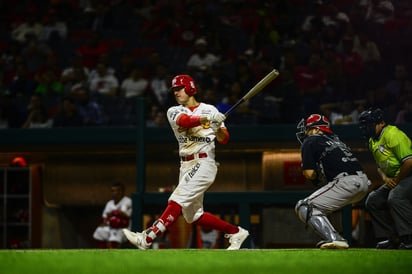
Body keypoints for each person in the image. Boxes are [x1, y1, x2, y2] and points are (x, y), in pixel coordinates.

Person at [123, 74, 249, 250]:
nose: (176, 92)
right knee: (193, 216)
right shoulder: (173, 111)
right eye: (174, 90)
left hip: (204, 163)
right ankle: (236, 232)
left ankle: (148, 238)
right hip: (186, 165)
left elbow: (224, 139)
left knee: (176, 199)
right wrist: (208, 120)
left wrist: (217, 128)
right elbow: (186, 121)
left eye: (179, 88)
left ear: (190, 88)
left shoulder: (210, 109)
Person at [295, 114, 370, 249]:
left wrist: (307, 169)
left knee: (305, 207)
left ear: (317, 129)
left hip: (346, 182)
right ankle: (335, 238)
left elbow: (310, 174)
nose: (306, 133)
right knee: (318, 208)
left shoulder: (311, 141)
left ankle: (335, 238)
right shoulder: (336, 140)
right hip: (363, 182)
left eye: (308, 129)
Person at [358, 108, 412, 249]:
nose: (366, 128)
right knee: (373, 200)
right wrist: (385, 178)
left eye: (369, 124)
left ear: (381, 122)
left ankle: (409, 238)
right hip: (396, 178)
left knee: (395, 197)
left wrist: (397, 180)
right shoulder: (372, 140)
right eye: (364, 125)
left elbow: (409, 161)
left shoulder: (393, 134)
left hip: (408, 174)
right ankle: (392, 238)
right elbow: (379, 166)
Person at [93, 182, 132, 248]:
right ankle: (102, 252)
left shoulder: (128, 201)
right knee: (99, 231)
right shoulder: (109, 203)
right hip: (111, 226)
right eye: (113, 191)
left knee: (115, 222)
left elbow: (127, 216)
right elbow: (105, 218)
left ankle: (114, 253)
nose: (115, 193)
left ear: (122, 191)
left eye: (118, 190)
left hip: (123, 228)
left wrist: (113, 213)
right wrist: (107, 219)